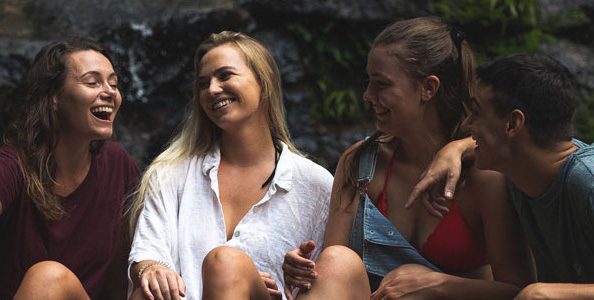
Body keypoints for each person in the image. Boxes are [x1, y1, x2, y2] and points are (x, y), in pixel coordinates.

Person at [282, 17, 535, 299]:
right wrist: (307, 271)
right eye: (369, 82)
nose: (367, 95)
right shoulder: (360, 162)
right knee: (336, 259)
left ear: (428, 88)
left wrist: (433, 284)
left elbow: (521, 292)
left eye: (381, 85)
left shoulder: (485, 175)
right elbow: (334, 269)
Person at [0, 37, 139, 300]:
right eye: (92, 82)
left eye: (113, 84)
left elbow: (133, 258)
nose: (110, 92)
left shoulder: (118, 164)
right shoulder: (13, 165)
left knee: (48, 279)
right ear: (54, 97)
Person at [125, 31, 333, 300]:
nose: (212, 89)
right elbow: (147, 252)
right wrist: (151, 267)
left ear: (263, 82)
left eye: (225, 75)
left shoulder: (316, 185)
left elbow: (332, 278)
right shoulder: (170, 173)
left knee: (227, 263)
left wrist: (287, 275)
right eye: (203, 84)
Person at [408, 52, 594, 299]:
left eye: (476, 113)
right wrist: (454, 149)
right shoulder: (522, 172)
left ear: (512, 124)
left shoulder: (586, 181)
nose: (466, 125)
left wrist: (545, 293)